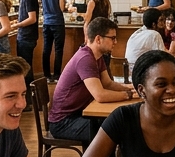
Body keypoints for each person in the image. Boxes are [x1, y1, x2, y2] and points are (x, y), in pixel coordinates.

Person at [48, 17, 137, 145]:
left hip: (78, 115)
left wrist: (132, 88)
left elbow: (108, 84)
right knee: (115, 131)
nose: (115, 42)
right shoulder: (85, 58)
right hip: (63, 122)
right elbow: (100, 95)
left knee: (117, 125)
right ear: (98, 39)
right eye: (112, 38)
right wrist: (128, 96)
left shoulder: (97, 56)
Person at [10, 0, 39, 83]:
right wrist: (17, 22)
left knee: (25, 66)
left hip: (27, 37)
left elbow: (32, 18)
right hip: (24, 35)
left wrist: (18, 25)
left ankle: (28, 92)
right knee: (24, 64)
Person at [39, 0, 67, 81]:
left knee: (46, 49)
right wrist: (66, 8)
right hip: (58, 23)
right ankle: (56, 75)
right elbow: (61, 7)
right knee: (58, 50)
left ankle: (46, 75)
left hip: (46, 22)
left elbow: (42, 4)